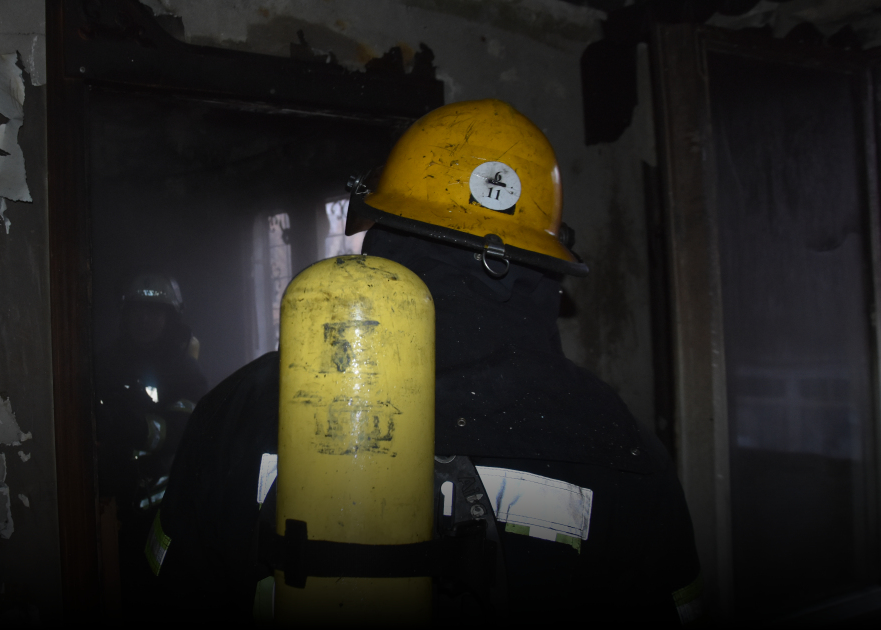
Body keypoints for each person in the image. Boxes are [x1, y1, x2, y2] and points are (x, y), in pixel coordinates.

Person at [147, 100, 701, 624]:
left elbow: (168, 594)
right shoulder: (620, 444)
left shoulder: (238, 408)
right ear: (543, 260)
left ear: (385, 228)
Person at [94, 273, 207, 611]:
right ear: (125, 314)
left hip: (163, 512)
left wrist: (131, 426)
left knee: (159, 594)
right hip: (106, 504)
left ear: (171, 318)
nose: (144, 320)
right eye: (137, 310)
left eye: (155, 312)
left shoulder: (185, 372)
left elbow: (183, 431)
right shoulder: (103, 363)